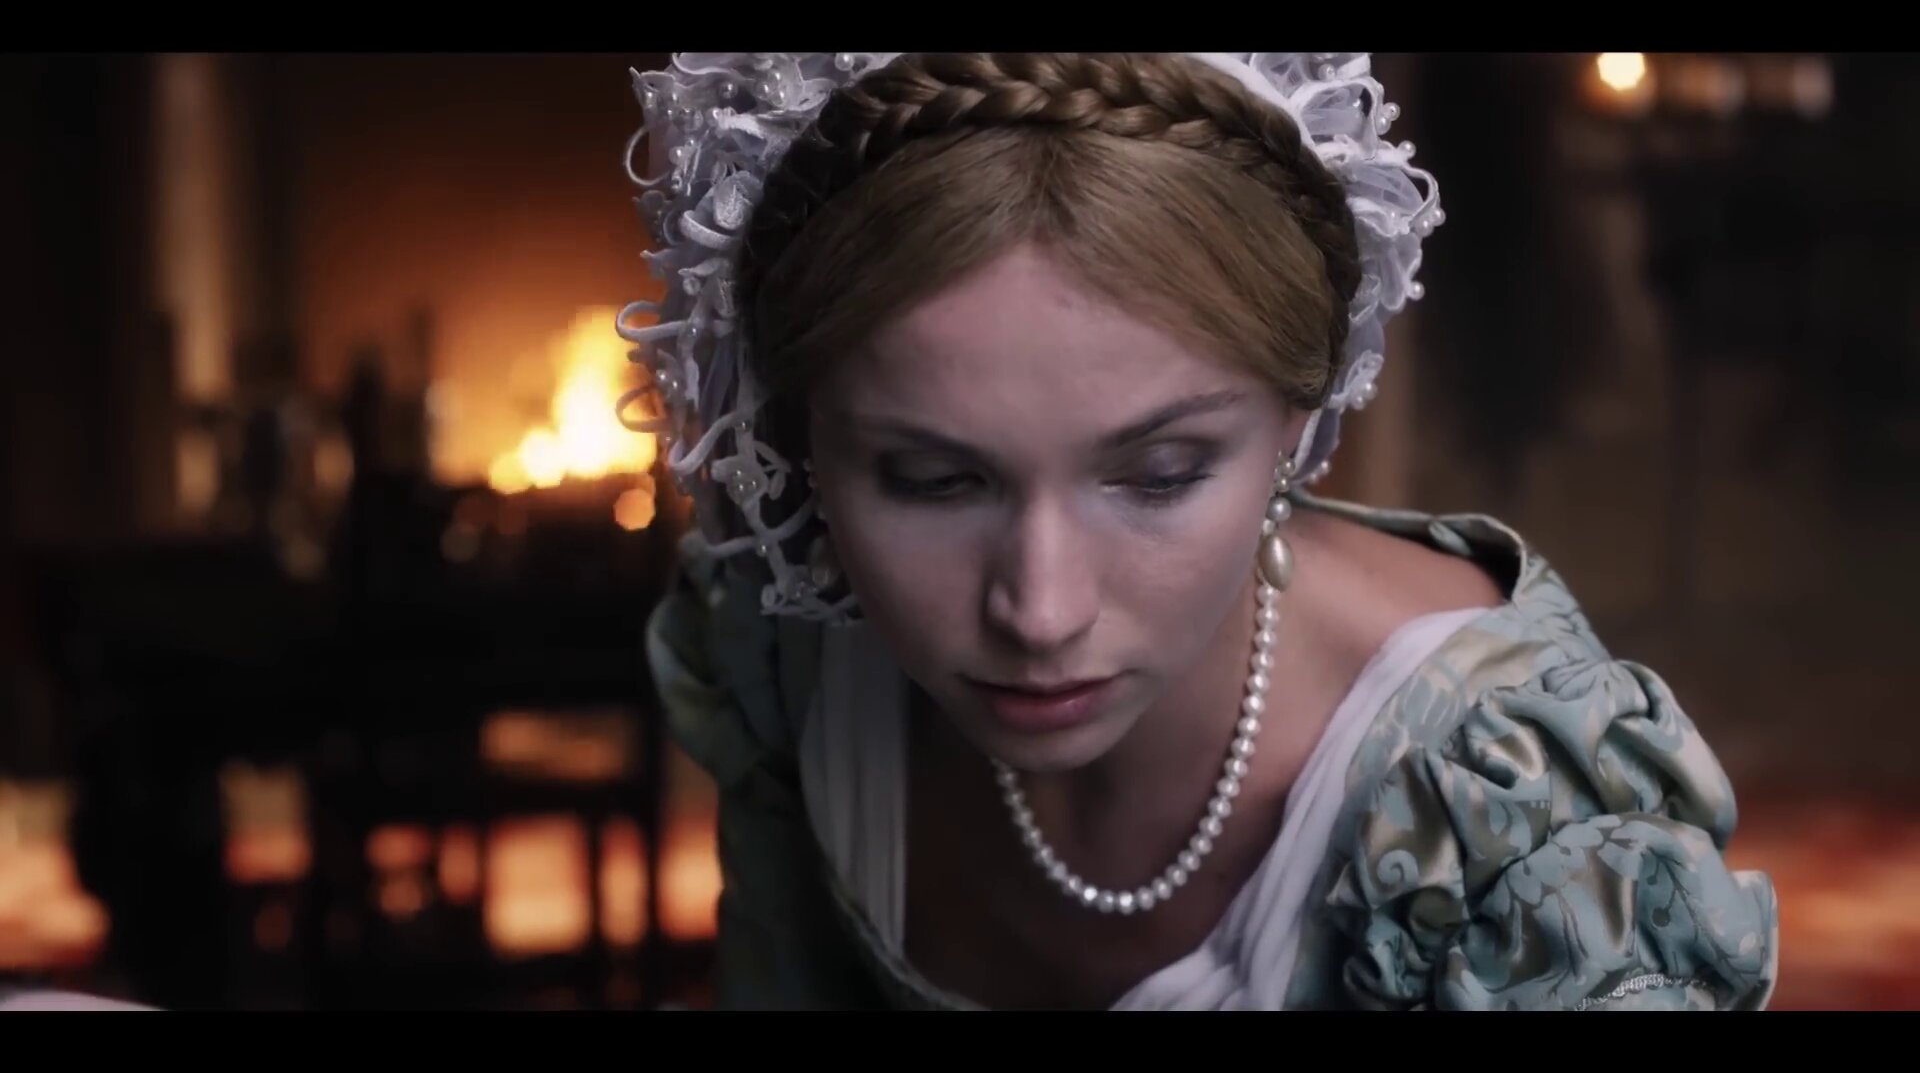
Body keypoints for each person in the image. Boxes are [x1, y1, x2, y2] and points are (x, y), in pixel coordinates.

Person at [619, 52, 1779, 1010]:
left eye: (1160, 475)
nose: (1041, 610)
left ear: (1299, 420)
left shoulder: (1508, 812)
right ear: (800, 445)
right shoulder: (787, 648)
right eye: (932, 481)